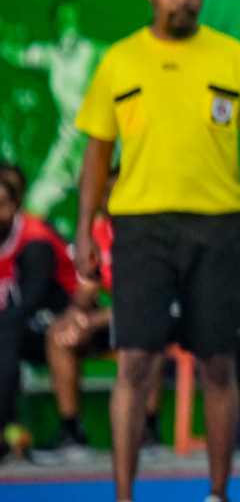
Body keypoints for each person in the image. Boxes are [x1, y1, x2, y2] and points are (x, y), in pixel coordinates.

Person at [75, 0, 240, 502]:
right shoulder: (119, 62)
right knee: (136, 363)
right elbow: (97, 156)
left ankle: (217, 495)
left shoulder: (232, 57)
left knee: (220, 364)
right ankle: (124, 498)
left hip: (217, 228)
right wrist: (83, 229)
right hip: (140, 231)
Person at [37, 167, 166, 462]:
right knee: (58, 335)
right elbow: (86, 294)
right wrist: (74, 317)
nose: (111, 199)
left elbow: (146, 301)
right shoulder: (95, 234)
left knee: (150, 337)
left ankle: (148, 431)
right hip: (112, 324)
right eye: (106, 194)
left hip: (148, 321)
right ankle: (72, 432)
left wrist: (93, 320)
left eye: (118, 192)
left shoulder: (153, 236)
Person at [0, 0, 103, 223]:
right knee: (33, 208)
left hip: (96, 149)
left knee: (99, 218)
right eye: (62, 20)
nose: (67, 26)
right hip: (66, 148)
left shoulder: (94, 52)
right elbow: (17, 55)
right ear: (54, 23)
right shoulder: (51, 56)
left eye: (71, 19)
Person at [0, 174, 76, 460]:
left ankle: (3, 431)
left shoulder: (36, 241)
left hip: (60, 319)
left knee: (5, 334)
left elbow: (26, 307)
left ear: (16, 206)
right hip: (18, 327)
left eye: (2, 205)